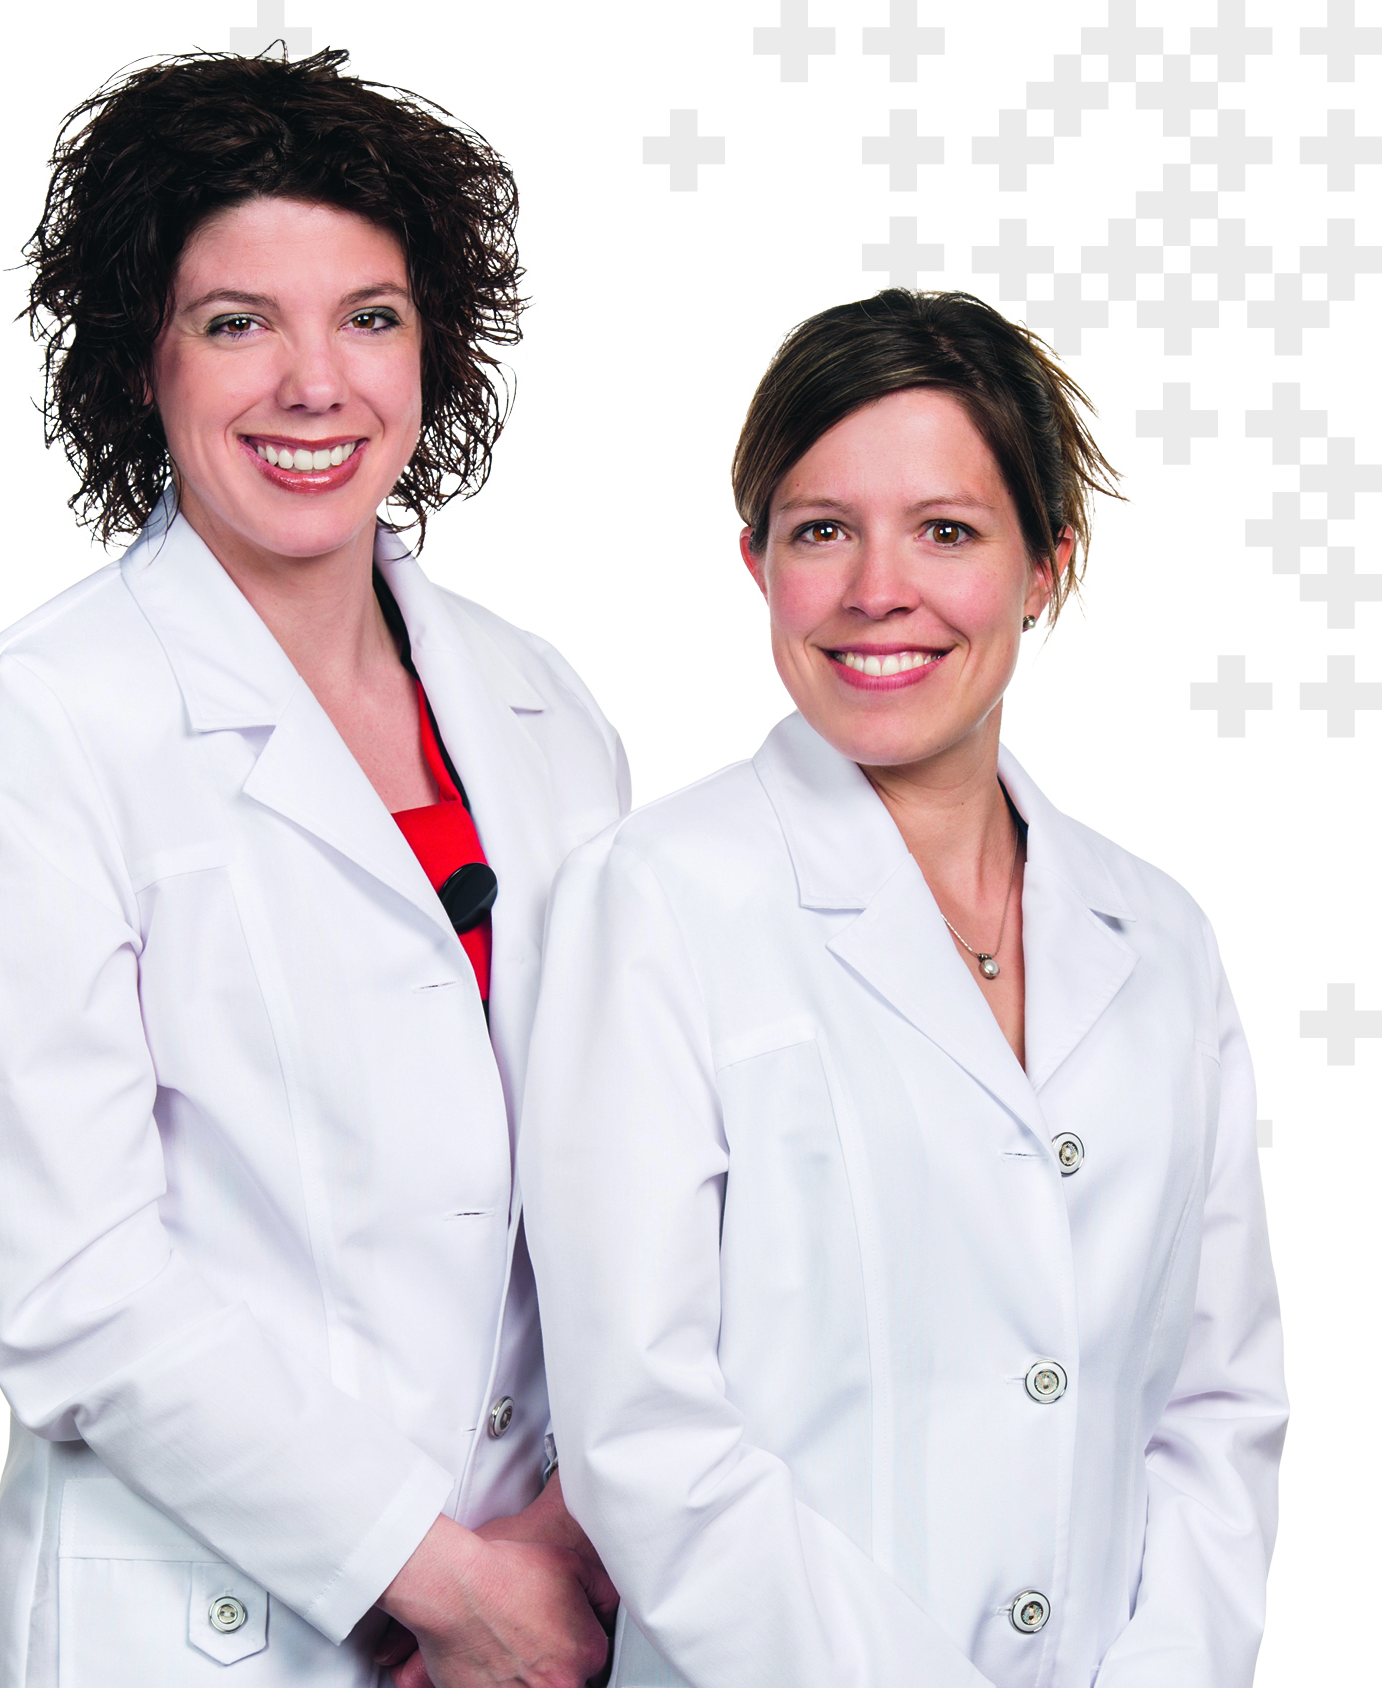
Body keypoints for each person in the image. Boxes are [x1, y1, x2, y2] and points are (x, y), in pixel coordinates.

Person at [0, 49, 626, 1688]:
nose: (315, 384)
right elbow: (73, 1284)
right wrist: (442, 1585)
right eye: (237, 324)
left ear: (432, 348)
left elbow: (633, 1173)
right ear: (139, 360)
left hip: (552, 1602)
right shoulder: (32, 721)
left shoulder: (541, 707)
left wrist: (564, 1544)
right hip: (211, 1623)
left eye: (368, 317)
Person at [521, 289, 1287, 1687]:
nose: (879, 589)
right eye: (822, 531)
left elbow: (1213, 1403)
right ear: (757, 564)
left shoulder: (1160, 941)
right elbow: (644, 1429)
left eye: (946, 531)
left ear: (1044, 564)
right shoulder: (652, 902)